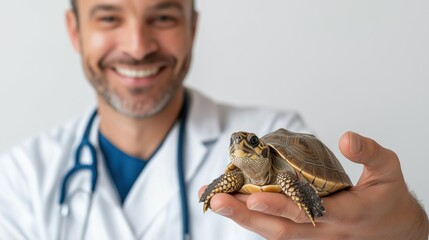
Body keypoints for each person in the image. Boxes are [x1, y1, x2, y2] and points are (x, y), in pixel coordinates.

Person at [0, 0, 427, 239]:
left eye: (163, 17)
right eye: (109, 16)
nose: (137, 45)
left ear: (192, 27)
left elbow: (345, 229)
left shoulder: (281, 126)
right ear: (75, 31)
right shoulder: (21, 177)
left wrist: (408, 230)